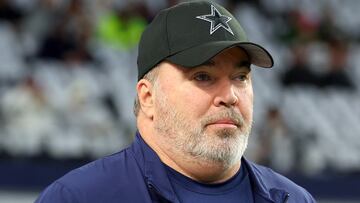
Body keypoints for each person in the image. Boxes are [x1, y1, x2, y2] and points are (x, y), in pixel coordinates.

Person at [36, 1, 316, 202]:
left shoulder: (294, 198)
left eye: (240, 77)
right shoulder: (80, 197)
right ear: (148, 97)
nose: (230, 96)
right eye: (203, 76)